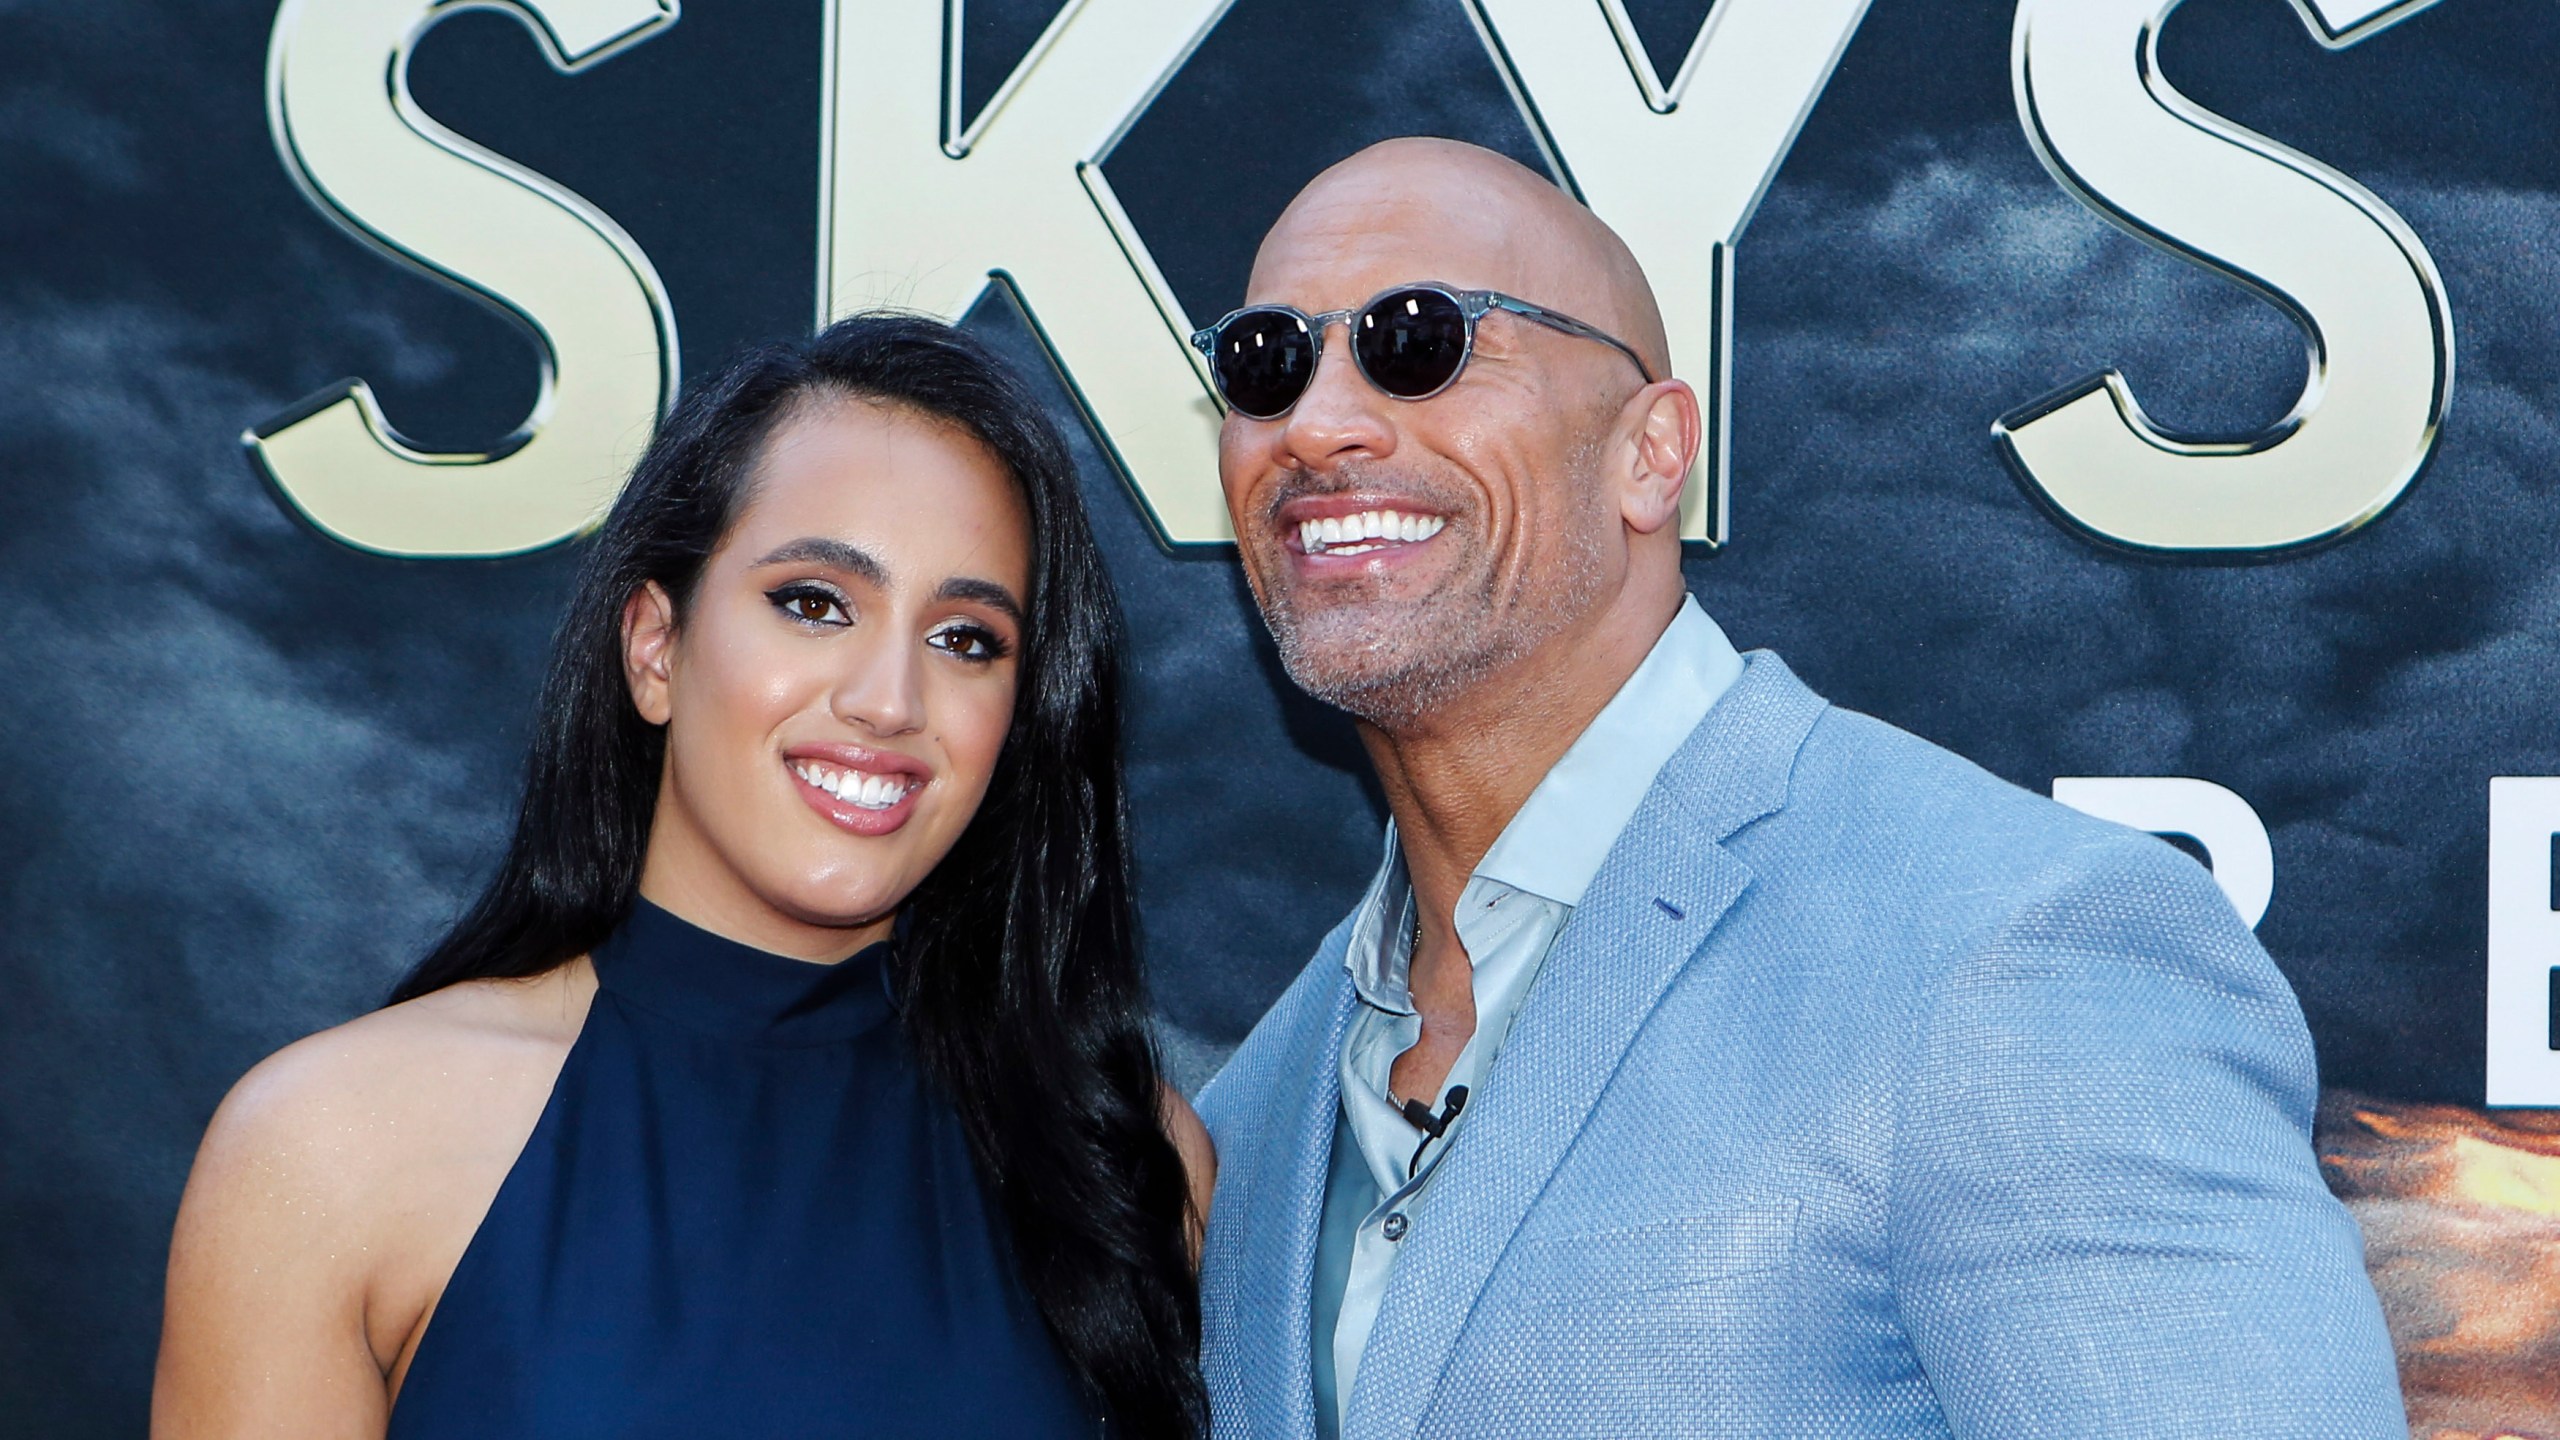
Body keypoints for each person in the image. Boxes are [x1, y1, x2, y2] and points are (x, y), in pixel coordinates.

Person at [1191, 137, 2405, 1438]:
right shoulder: (1258, 1098)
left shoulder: (2015, 952)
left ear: (1652, 454)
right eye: (1265, 364)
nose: (1316, 425)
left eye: (1416, 340)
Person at [153, 314, 1213, 1439]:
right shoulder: (336, 1144)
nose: (889, 700)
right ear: (655, 648)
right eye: (813, 602)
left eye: (965, 638)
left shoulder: (1124, 1165)